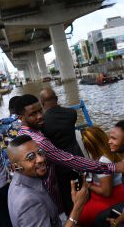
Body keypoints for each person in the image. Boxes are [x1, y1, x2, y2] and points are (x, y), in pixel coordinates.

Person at [15, 94, 124, 213]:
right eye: (33, 114)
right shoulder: (40, 139)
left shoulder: (22, 134)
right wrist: (112, 167)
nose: (40, 116)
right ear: (21, 117)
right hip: (49, 192)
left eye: (40, 111)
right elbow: (69, 160)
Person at [7, 135, 89, 227]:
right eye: (30, 157)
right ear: (15, 167)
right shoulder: (28, 201)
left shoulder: (17, 182)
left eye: (40, 152)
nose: (41, 159)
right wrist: (78, 207)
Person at [40, 87, 84, 215]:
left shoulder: (42, 122)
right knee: (81, 189)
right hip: (77, 159)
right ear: (57, 98)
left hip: (59, 165)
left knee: (66, 195)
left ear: (42, 103)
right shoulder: (71, 113)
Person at [78, 127, 124, 226]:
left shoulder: (104, 161)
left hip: (113, 197)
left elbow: (107, 192)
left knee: (79, 217)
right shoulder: (112, 150)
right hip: (121, 189)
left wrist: (88, 185)